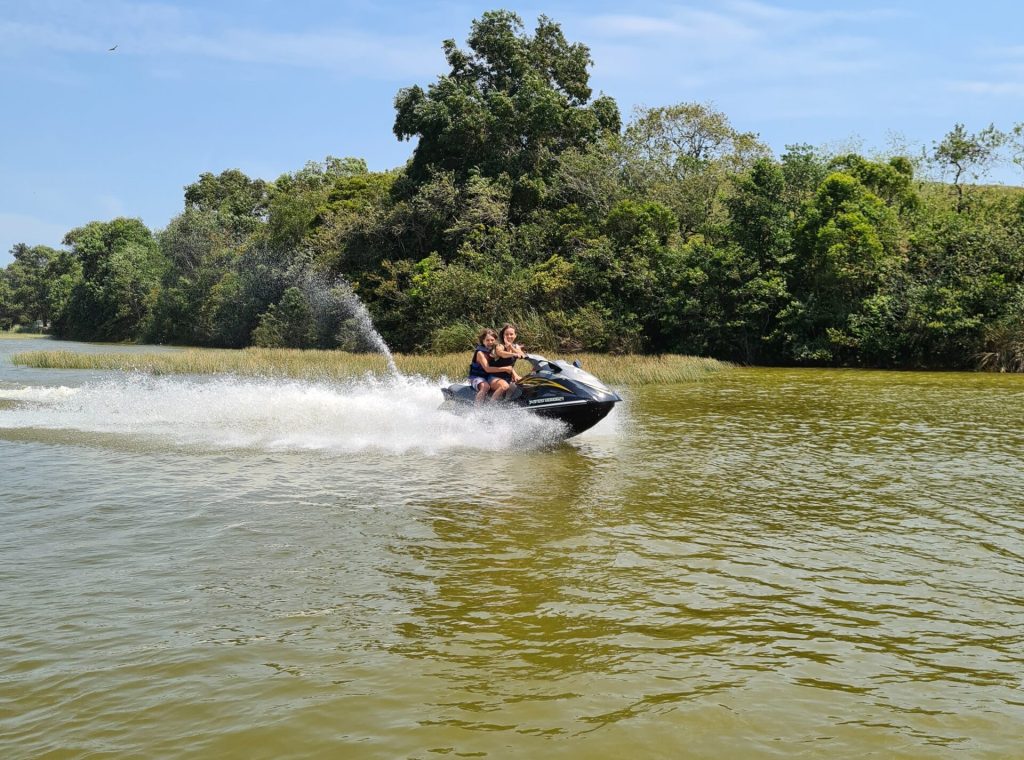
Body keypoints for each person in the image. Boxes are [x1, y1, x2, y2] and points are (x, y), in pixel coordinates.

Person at [468, 328, 512, 403]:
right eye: (487, 340)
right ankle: (477, 409)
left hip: (489, 377)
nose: (490, 342)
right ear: (483, 341)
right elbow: (487, 369)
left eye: (492, 340)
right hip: (477, 377)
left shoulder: (495, 351)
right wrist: (505, 369)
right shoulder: (480, 353)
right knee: (485, 387)